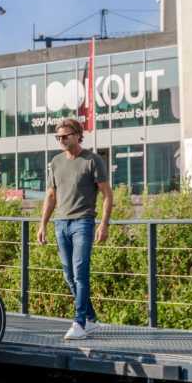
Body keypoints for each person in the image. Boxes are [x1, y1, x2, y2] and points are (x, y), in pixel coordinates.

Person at [37, 118, 113, 341]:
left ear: (78, 135)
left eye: (65, 136)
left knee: (80, 272)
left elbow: (107, 195)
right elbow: (50, 196)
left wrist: (104, 224)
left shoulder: (92, 160)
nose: (61, 140)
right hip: (61, 224)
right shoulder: (56, 162)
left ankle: (79, 323)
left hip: (83, 223)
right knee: (69, 275)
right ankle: (90, 319)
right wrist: (42, 224)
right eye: (58, 137)